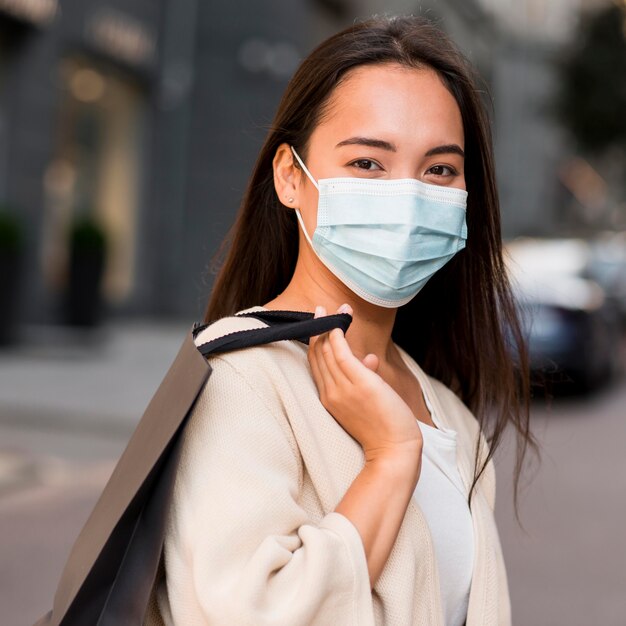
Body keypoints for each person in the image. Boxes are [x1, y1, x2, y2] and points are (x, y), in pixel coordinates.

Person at [146, 15, 537, 626]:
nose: (407, 197)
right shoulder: (242, 383)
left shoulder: (450, 413)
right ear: (290, 177)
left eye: (439, 169)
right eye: (367, 163)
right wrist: (389, 457)